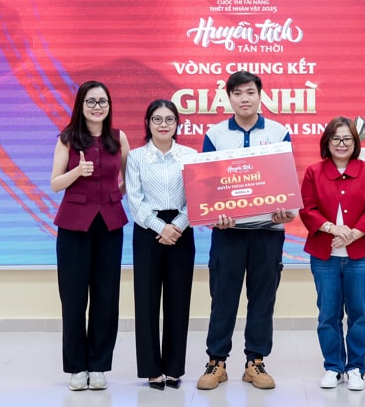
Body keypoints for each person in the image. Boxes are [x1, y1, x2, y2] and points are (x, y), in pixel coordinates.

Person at [196, 70, 295, 391]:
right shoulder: (215, 134)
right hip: (229, 232)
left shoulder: (279, 132)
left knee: (263, 298)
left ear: (260, 95)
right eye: (237, 93)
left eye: (250, 92)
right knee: (223, 297)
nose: (244, 99)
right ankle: (217, 361)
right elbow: (207, 185)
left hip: (269, 232)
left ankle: (256, 361)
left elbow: (285, 181)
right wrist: (214, 213)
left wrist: (285, 209)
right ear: (228, 97)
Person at [50, 80, 130, 392]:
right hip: (73, 226)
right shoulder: (67, 138)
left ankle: (98, 366)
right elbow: (55, 183)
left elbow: (129, 179)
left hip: (109, 225)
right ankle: (76, 367)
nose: (98, 107)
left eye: (103, 101)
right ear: (81, 105)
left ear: (109, 105)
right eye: (91, 101)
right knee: (73, 298)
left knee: (106, 297)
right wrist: (77, 173)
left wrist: (114, 194)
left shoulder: (118, 138)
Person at [299, 116, 365, 391]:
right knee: (328, 314)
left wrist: (352, 234)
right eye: (335, 138)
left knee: (360, 313)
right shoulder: (314, 172)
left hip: (361, 256)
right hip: (324, 256)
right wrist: (332, 229)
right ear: (327, 142)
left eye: (347, 138)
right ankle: (333, 367)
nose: (341, 144)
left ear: (355, 142)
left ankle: (356, 367)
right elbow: (307, 209)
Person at [126, 99, 197, 390]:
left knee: (178, 301)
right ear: (148, 123)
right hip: (148, 231)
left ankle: (173, 368)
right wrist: (161, 227)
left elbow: (196, 197)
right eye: (157, 119)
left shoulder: (190, 156)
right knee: (146, 301)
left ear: (177, 123)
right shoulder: (136, 157)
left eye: (169, 119)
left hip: (182, 229)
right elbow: (135, 200)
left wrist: (177, 226)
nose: (163, 124)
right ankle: (152, 369)